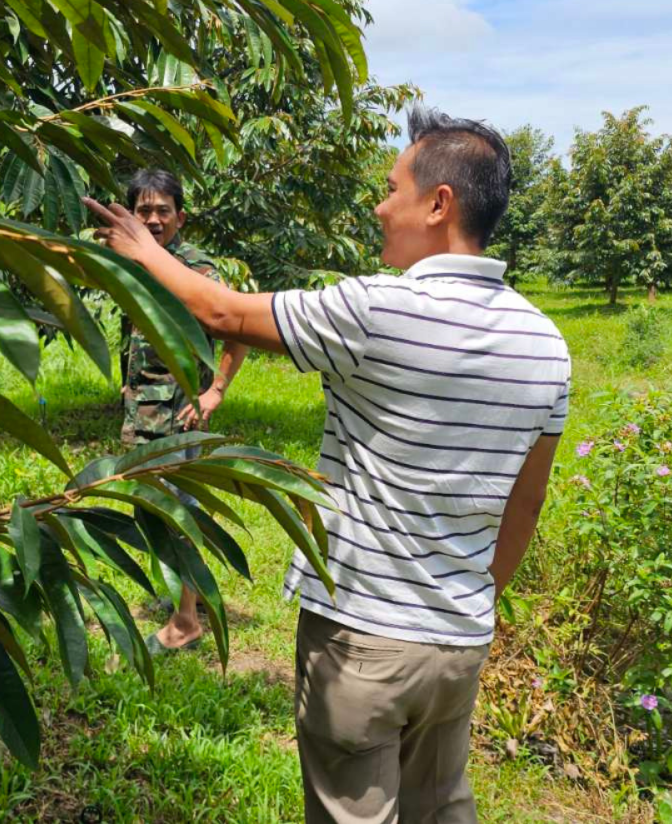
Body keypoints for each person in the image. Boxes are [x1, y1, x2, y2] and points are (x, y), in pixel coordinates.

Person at [84, 107, 569, 824]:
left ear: (439, 204)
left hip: (364, 638)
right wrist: (467, 600)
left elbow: (222, 314)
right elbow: (526, 505)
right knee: (441, 810)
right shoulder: (546, 342)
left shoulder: (375, 310)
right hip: (460, 642)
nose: (379, 207)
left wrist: (138, 244)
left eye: (392, 189)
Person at [115, 168, 250, 653]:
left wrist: (216, 391)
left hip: (177, 417)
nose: (153, 220)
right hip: (144, 414)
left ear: (181, 217)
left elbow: (237, 328)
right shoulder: (132, 264)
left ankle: (186, 621)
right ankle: (185, 595)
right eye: (143, 211)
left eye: (162, 211)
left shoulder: (194, 270)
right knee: (164, 511)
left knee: (174, 515)